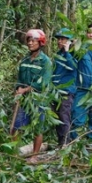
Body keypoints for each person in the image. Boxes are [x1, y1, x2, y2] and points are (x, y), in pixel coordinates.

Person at [13, 29, 53, 161]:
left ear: (40, 43)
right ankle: (14, 153)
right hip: (24, 100)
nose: (30, 43)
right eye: (29, 41)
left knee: (37, 128)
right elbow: (19, 78)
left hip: (38, 100)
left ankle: (34, 156)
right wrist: (18, 88)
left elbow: (43, 83)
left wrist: (26, 90)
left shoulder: (45, 62)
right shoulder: (24, 60)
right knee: (16, 127)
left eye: (33, 41)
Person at [51, 28, 78, 148]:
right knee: (57, 118)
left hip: (66, 92)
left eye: (62, 39)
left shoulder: (74, 53)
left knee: (64, 116)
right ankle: (62, 142)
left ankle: (66, 144)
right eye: (58, 39)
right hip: (56, 91)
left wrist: (68, 52)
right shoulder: (58, 54)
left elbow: (73, 67)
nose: (59, 41)